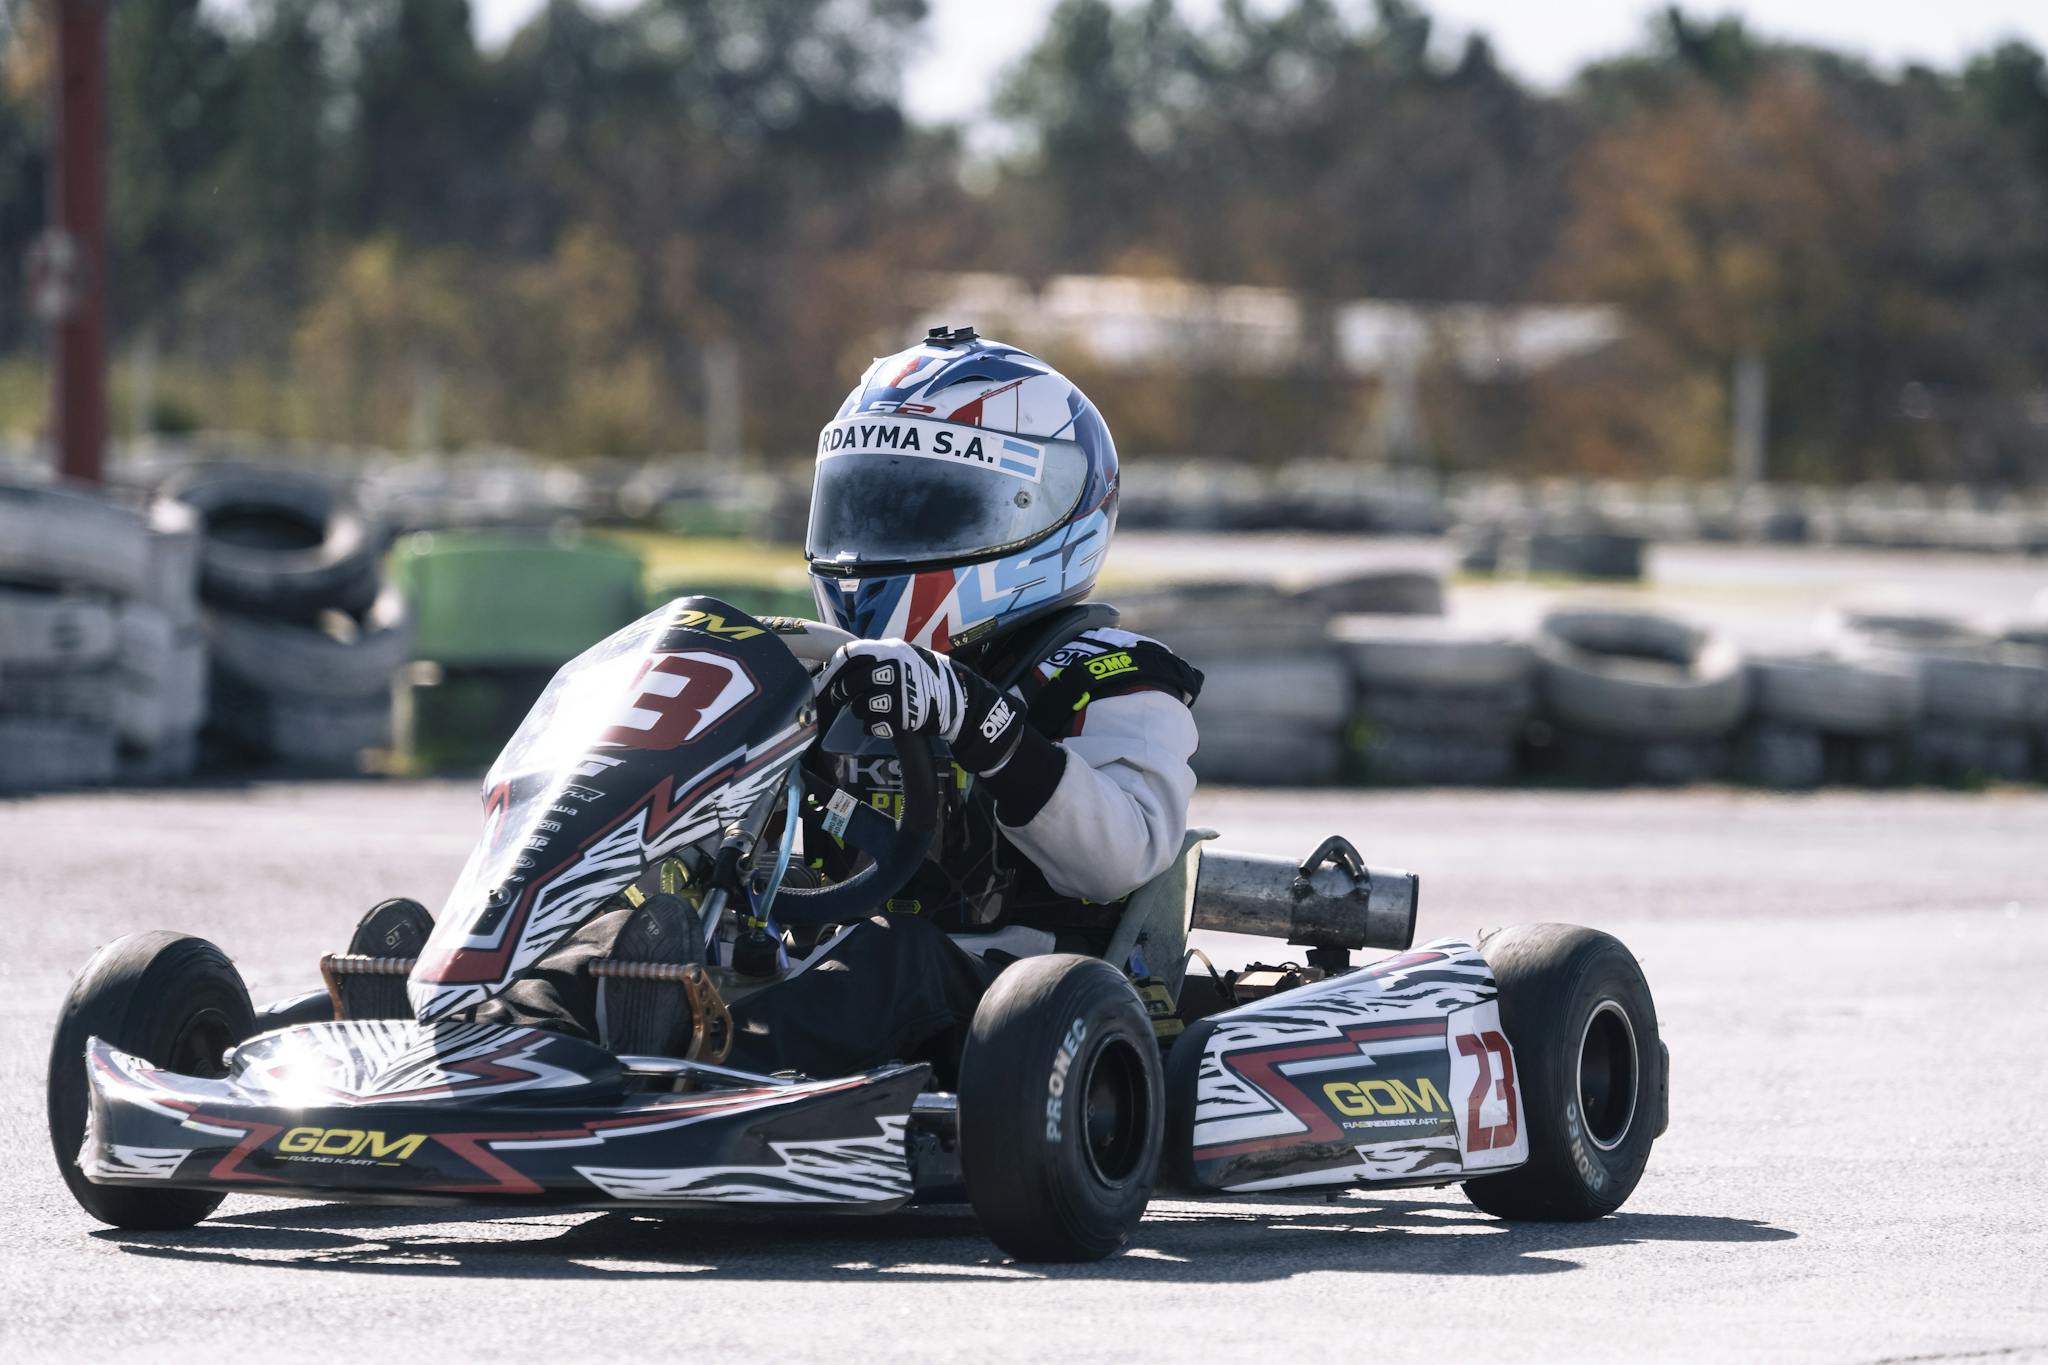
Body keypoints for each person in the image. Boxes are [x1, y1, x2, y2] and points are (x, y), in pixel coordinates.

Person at [360, 327, 1202, 1081]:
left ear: (1039, 515)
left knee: (891, 958)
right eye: (866, 503)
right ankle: (480, 1030)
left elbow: (1119, 853)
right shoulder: (828, 670)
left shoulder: (1109, 674)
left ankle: (687, 1062)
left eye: (920, 508)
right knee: (629, 935)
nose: (876, 536)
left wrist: (974, 720)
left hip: (1021, 1004)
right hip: (819, 959)